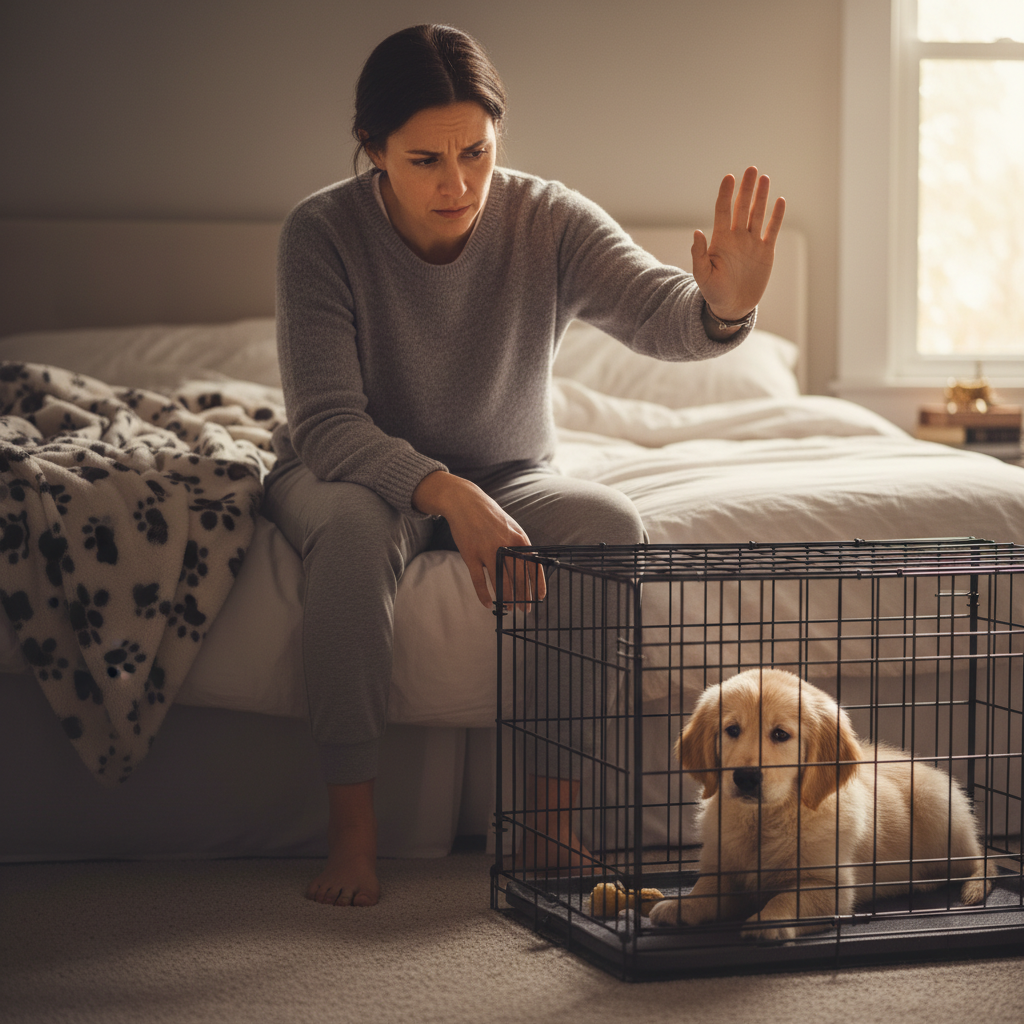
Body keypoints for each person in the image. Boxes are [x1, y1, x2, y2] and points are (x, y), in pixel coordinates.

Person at [263, 23, 786, 907]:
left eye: (476, 150)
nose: (457, 181)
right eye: (425, 158)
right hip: (350, 474)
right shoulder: (321, 233)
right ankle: (353, 832)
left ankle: (551, 823)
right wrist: (445, 492)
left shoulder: (544, 217)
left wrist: (723, 308)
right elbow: (327, 423)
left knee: (608, 525)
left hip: (508, 468)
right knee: (353, 538)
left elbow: (658, 307)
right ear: (374, 150)